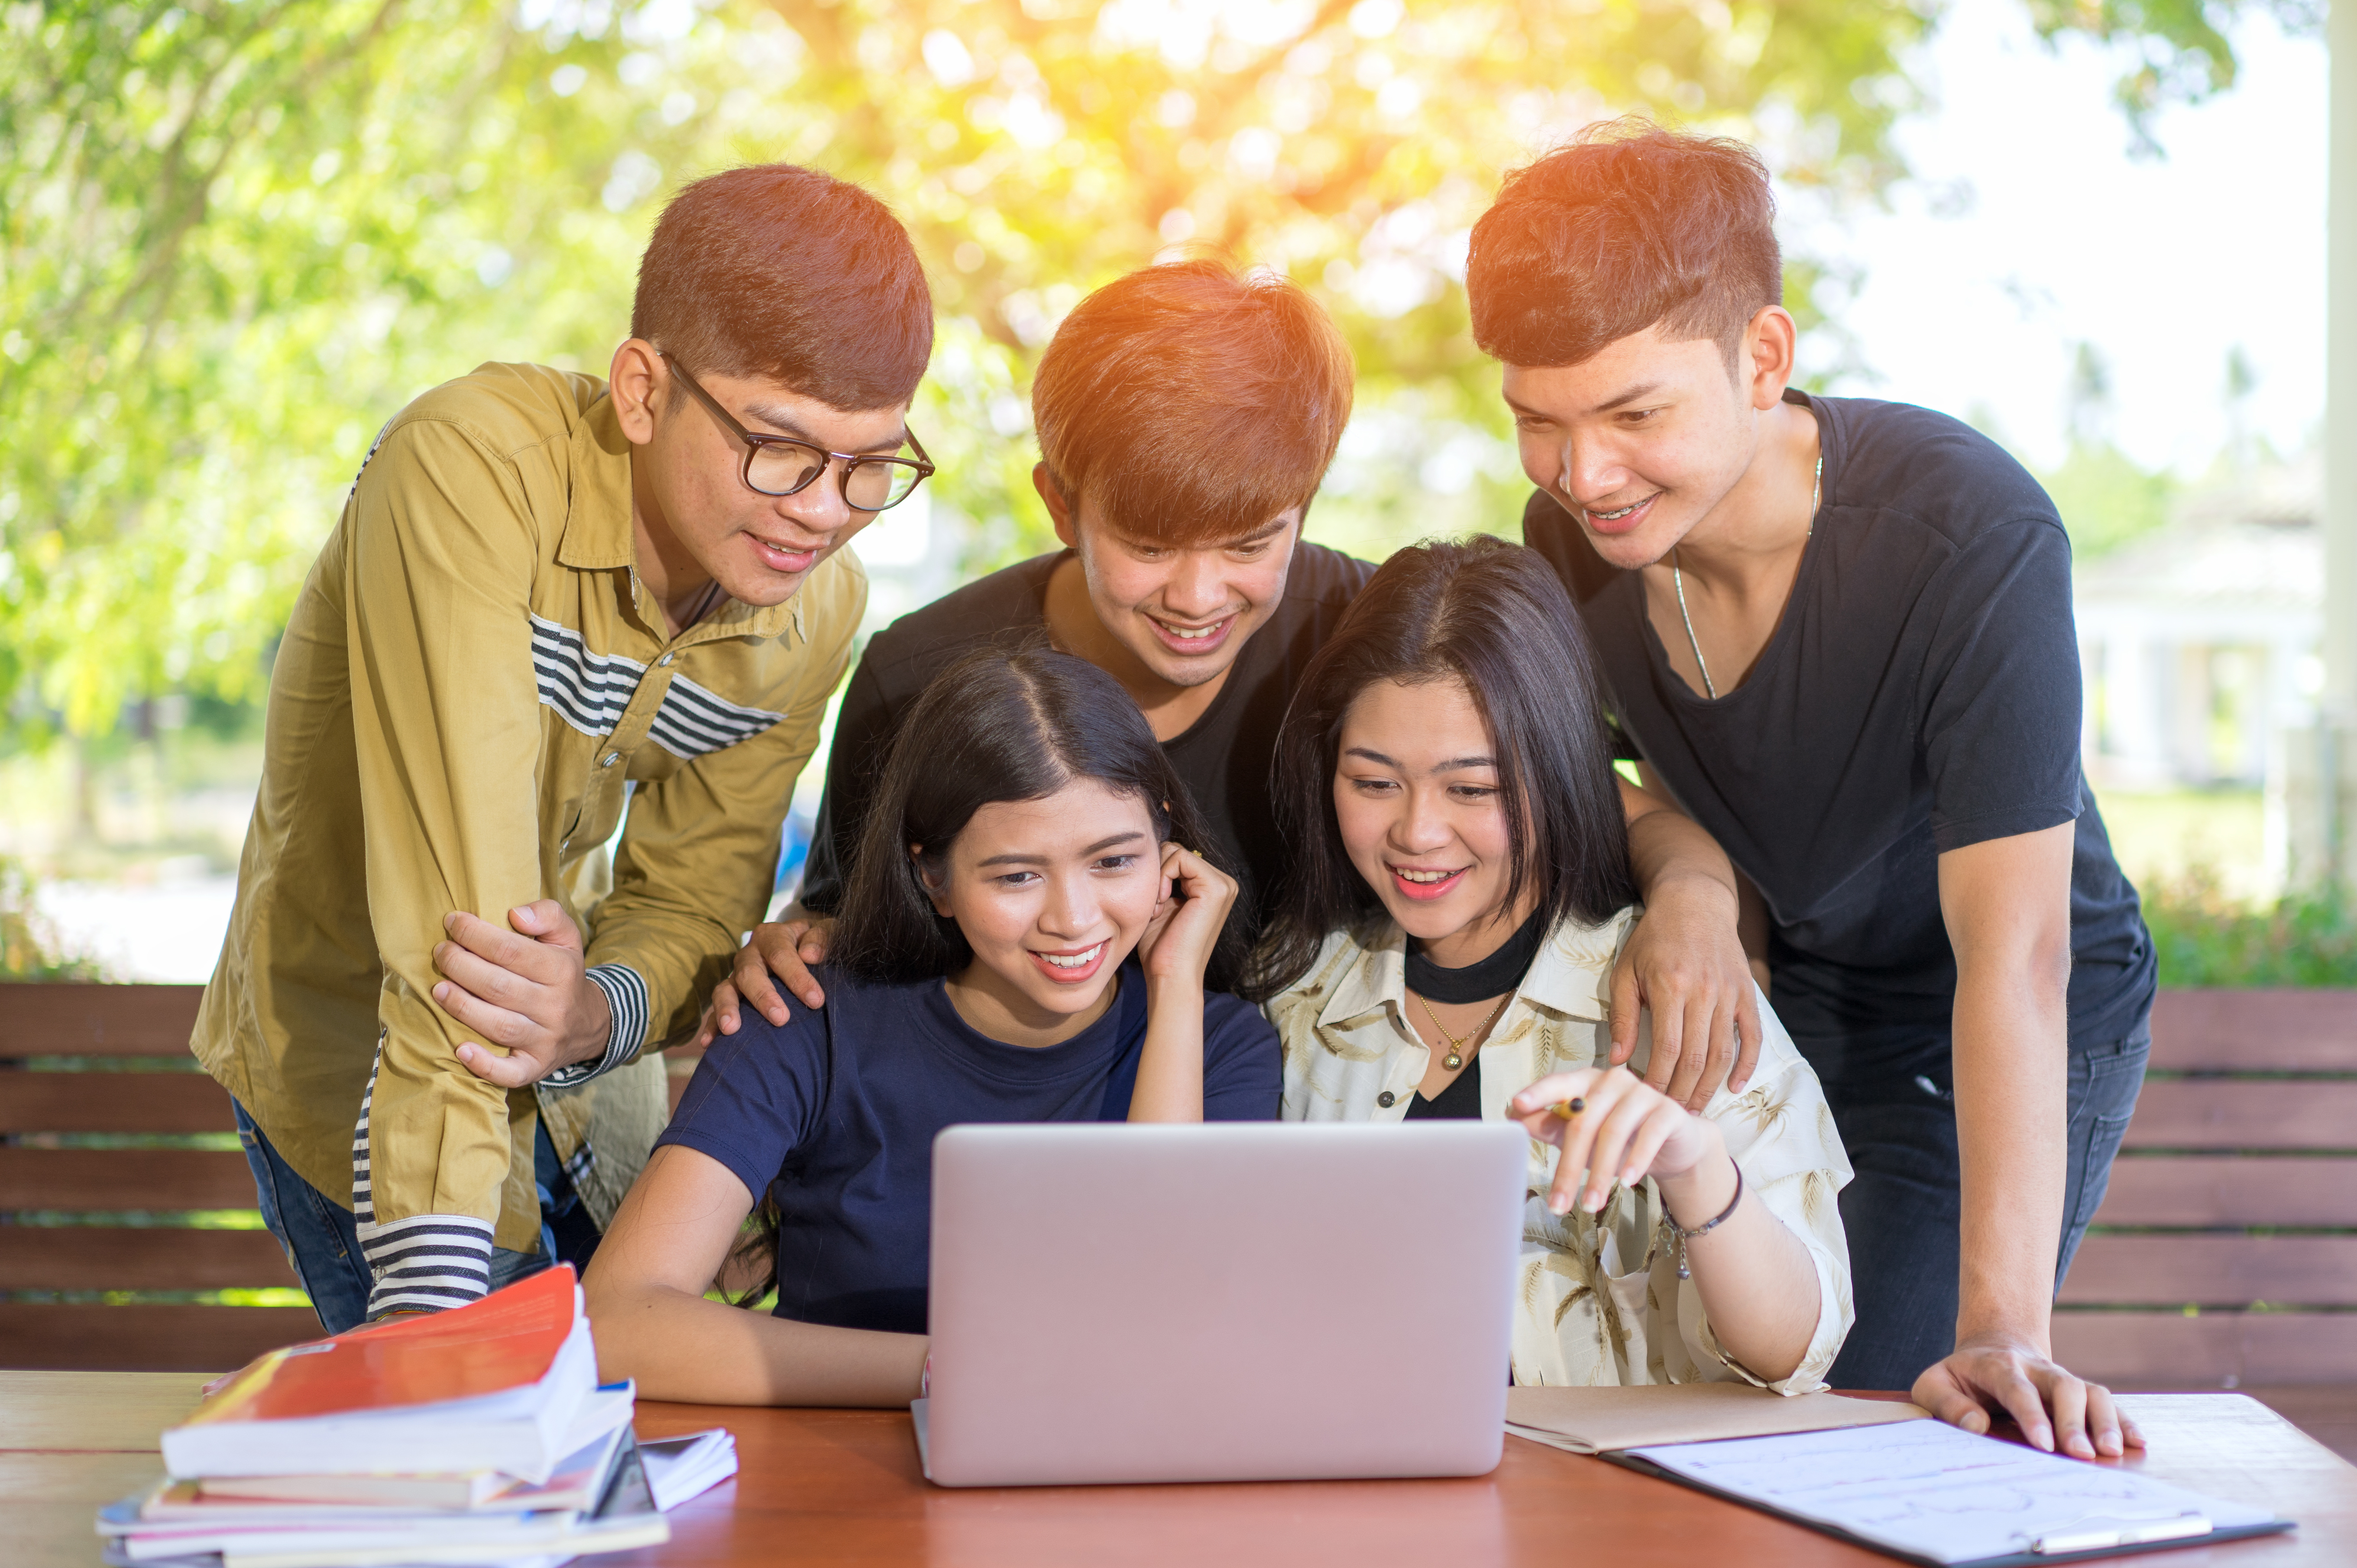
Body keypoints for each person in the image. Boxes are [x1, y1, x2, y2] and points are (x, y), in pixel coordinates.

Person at [1465, 121, 2157, 1455]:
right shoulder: (1575, 538)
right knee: (1719, 1382)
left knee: (1886, 1406)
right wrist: (1693, 886)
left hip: (1983, 1016)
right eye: (1536, 422)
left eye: (1634, 412)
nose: (1582, 473)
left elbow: (2013, 961)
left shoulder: (1967, 536)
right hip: (1797, 984)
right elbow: (1556, 770)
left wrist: (2005, 1330)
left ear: (1763, 359)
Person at [713, 258, 1768, 1110]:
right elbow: (853, 938)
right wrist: (798, 951)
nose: (1199, 594)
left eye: (1252, 542)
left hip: (1302, 1114)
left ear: (1303, 505)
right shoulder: (921, 677)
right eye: (1150, 544)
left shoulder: (1364, 640)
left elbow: (1599, 805)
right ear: (1060, 503)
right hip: (1020, 1129)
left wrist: (1695, 904)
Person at [193, 164, 935, 1330]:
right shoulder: (469, 473)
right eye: (782, 448)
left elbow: (696, 900)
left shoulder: (815, 608)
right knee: (454, 1470)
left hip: (591, 1103)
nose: (823, 510)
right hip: (369, 1087)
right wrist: (433, 1342)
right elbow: (464, 939)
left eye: (869, 465)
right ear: (644, 389)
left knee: (631, 1488)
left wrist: (593, 1012)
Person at [586, 648, 1280, 1405]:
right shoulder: (807, 1017)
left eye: (1114, 861)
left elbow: (1164, 1328)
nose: (1074, 918)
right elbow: (617, 1322)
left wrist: (1175, 981)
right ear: (932, 878)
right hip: (843, 1487)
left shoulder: (1219, 1045)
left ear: (1167, 847)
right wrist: (954, 1375)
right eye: (1016, 875)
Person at [1254, 538, 1851, 1393]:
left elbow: (1798, 1349)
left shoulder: (1672, 987)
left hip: (1625, 1512)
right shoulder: (1293, 992)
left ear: (1562, 774)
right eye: (1373, 782)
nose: (1418, 833)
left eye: (1473, 789)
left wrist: (1694, 1165)